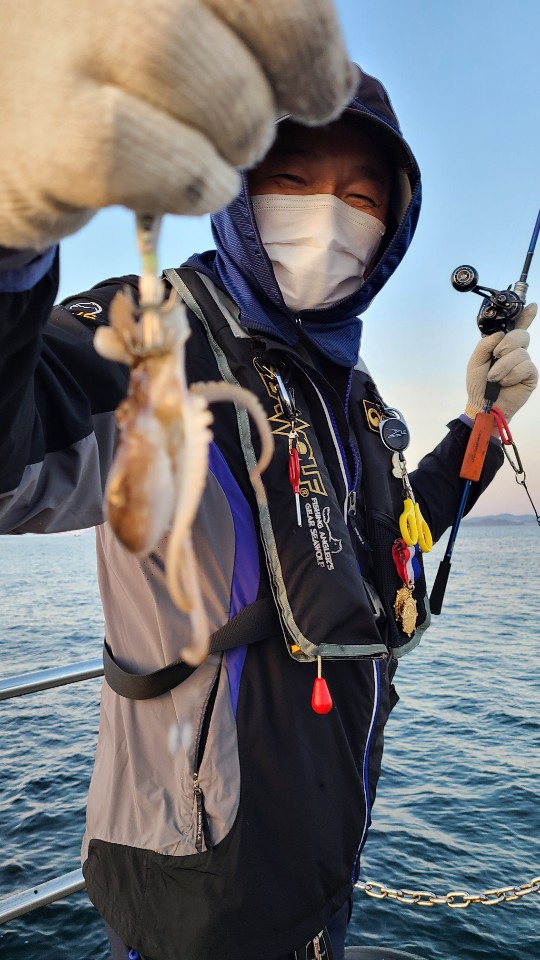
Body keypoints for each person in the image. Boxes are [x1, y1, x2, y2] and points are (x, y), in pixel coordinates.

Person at [0, 50, 537, 960]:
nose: (328, 215)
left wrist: (481, 423)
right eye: (291, 178)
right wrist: (17, 241)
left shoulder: (352, 394)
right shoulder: (154, 336)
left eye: (361, 197)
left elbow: (391, 539)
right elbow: (21, 435)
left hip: (323, 875)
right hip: (196, 894)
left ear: (393, 228)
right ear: (238, 191)